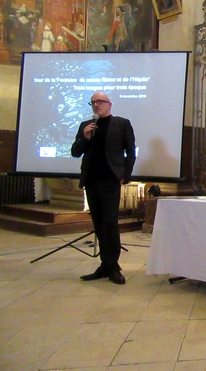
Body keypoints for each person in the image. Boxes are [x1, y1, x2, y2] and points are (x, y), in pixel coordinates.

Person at [71, 92, 136, 285]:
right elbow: (75, 152)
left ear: (109, 104)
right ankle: (104, 265)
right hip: (91, 181)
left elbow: (131, 152)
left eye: (100, 102)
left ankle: (113, 266)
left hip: (110, 181)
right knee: (99, 224)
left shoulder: (122, 123)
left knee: (110, 224)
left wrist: (125, 175)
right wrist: (84, 138)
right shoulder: (86, 126)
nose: (96, 105)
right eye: (93, 103)